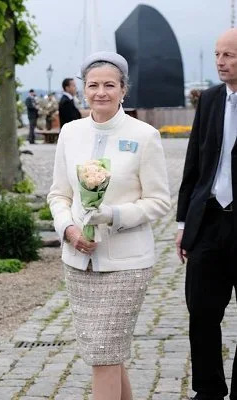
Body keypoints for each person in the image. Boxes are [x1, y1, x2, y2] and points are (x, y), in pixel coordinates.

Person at [47, 51, 170, 399]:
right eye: (93, 85)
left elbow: (159, 201)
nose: (101, 92)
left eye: (109, 85)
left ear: (123, 90)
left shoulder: (145, 136)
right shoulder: (70, 133)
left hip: (125, 264)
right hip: (77, 263)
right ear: (83, 90)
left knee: (103, 350)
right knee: (105, 353)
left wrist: (113, 216)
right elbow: (58, 194)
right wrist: (68, 229)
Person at [176, 28, 237, 400]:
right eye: (218, 54)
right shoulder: (211, 100)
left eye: (228, 55)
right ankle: (208, 390)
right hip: (209, 220)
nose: (220, 61)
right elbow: (194, 164)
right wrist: (184, 223)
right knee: (201, 313)